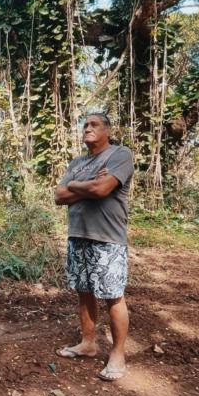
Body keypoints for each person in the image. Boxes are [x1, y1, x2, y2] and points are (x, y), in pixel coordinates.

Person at [54, 113, 134, 381]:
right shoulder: (77, 162)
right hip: (78, 235)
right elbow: (59, 195)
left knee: (113, 295)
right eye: (85, 125)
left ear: (107, 131)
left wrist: (75, 186)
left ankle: (118, 354)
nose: (87, 128)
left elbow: (102, 190)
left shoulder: (119, 155)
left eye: (94, 125)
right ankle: (88, 344)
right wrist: (85, 185)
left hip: (107, 238)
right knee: (84, 292)